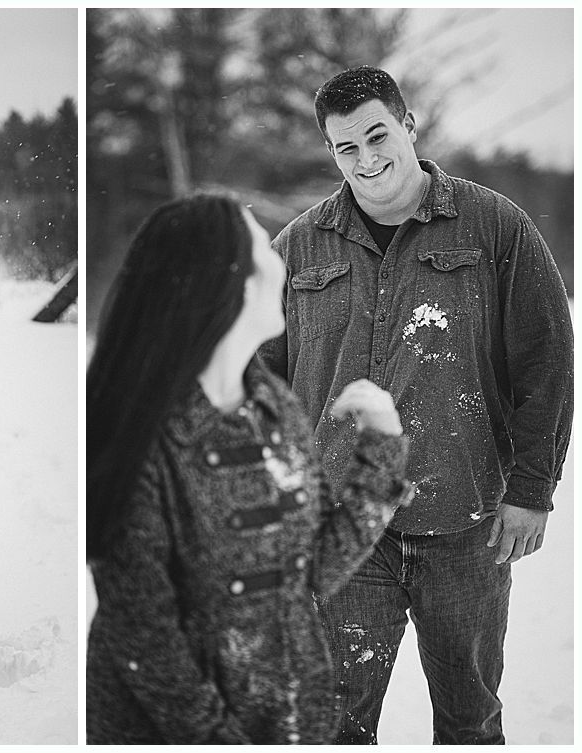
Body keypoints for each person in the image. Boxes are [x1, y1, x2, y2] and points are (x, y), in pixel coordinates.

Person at [257, 66, 573, 744]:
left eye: (378, 135)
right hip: (342, 530)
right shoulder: (298, 247)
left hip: (467, 522)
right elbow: (256, 383)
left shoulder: (494, 229)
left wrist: (532, 489)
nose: (367, 160)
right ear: (331, 153)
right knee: (330, 722)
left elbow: (546, 359)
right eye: (347, 147)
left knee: (469, 716)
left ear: (408, 125)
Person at [86, 194, 414, 744]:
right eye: (264, 246)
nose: (282, 263)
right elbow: (146, 642)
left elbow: (303, 574)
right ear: (227, 280)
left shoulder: (273, 404)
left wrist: (382, 447)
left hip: (288, 715)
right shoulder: (146, 435)